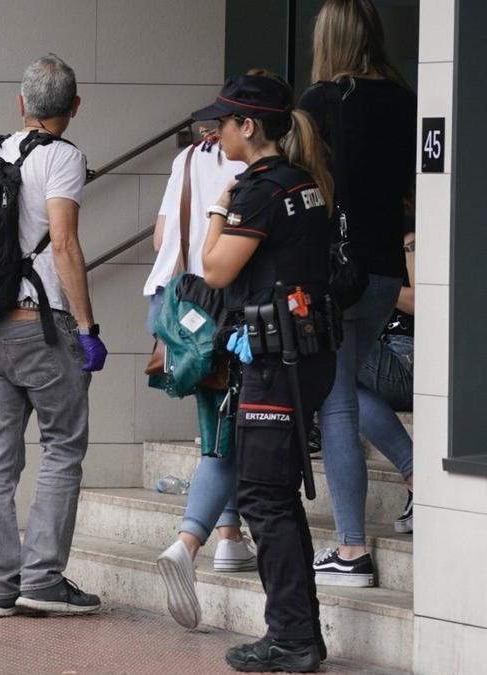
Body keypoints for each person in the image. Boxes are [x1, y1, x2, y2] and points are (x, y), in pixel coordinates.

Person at [193, 72, 337, 672]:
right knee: (274, 497)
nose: (214, 132)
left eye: (222, 123)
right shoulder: (306, 182)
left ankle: (293, 640)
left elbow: (214, 269)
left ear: (248, 126)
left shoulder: (258, 190)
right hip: (304, 353)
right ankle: (297, 634)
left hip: (276, 360)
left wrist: (218, 207)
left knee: (262, 498)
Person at [0, 54, 107, 618]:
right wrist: (89, 326)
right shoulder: (64, 158)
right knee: (63, 448)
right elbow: (66, 244)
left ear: (21, 105)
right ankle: (43, 579)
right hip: (41, 329)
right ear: (73, 108)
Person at [298, 0, 417, 587]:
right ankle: (421, 472)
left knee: (336, 400)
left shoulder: (319, 103)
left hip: (336, 275)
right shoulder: (405, 100)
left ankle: (350, 550)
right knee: (346, 383)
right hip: (387, 269)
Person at [148, 136, 253, 631]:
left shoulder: (188, 158)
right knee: (225, 440)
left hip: (178, 310)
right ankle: (189, 542)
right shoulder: (256, 174)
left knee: (218, 427)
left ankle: (229, 535)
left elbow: (159, 237)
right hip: (222, 315)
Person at [356, 228, 416, 533]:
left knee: (331, 343)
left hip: (407, 358)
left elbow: (420, 299)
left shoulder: (411, 239)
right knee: (340, 387)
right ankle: (416, 476)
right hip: (384, 353)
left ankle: (417, 475)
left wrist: (371, 287)